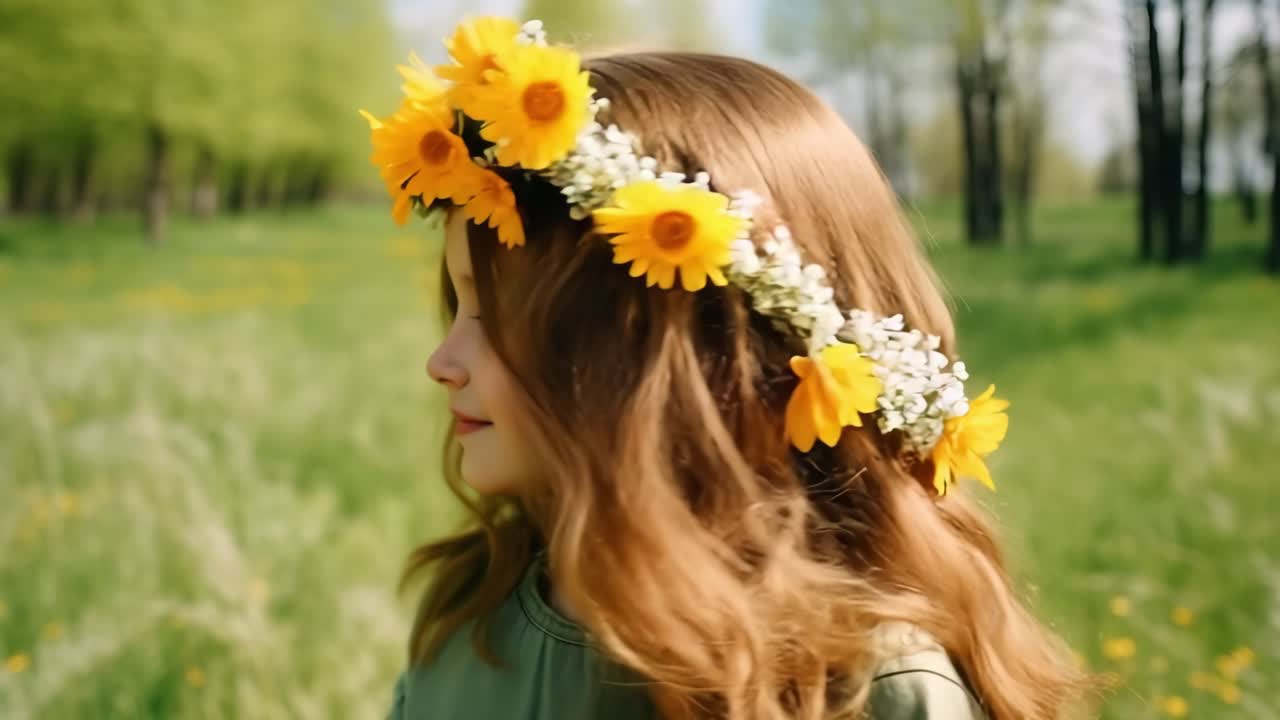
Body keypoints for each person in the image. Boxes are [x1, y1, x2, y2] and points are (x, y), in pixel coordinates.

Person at [362, 16, 1093, 720]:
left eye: (493, 318)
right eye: (455, 307)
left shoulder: (861, 691)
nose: (441, 362)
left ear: (686, 359)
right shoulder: (473, 625)